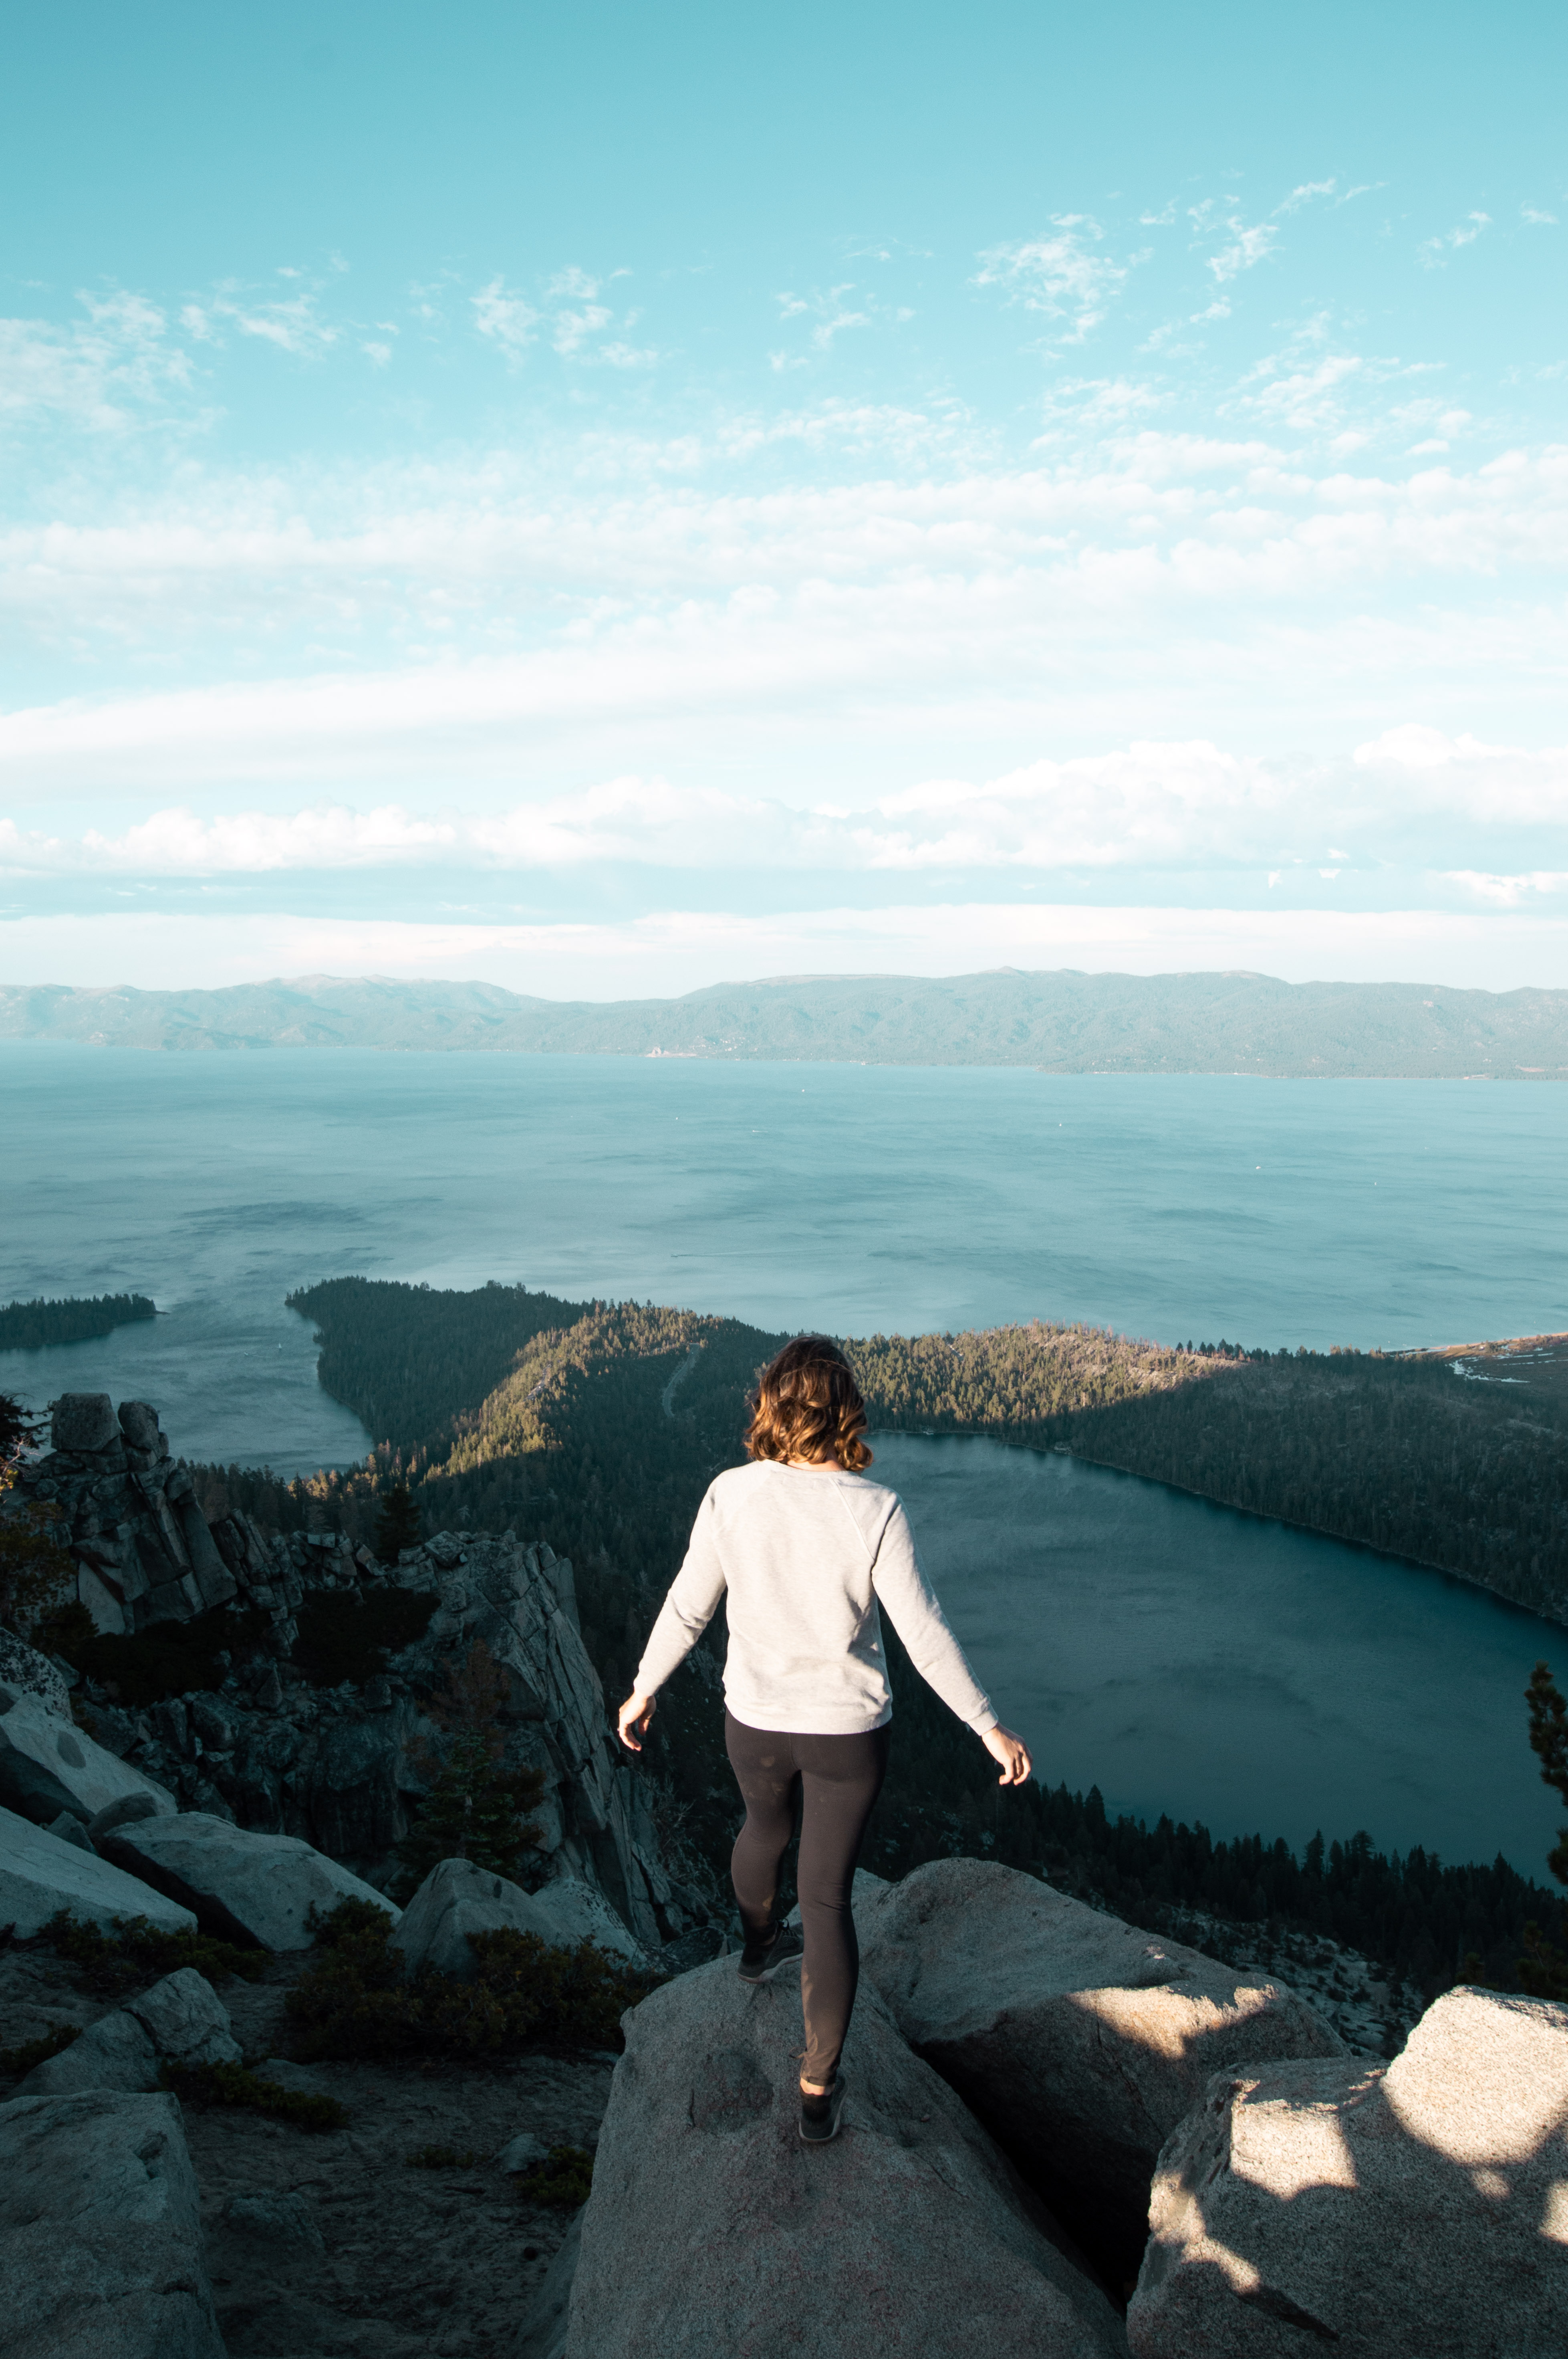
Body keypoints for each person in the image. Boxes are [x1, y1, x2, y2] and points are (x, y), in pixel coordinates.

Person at [617, 1335, 1032, 2145]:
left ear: (770, 1404)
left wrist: (643, 1688)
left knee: (761, 1828)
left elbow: (688, 1607)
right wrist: (986, 1724)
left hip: (756, 1720)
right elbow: (923, 1634)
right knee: (829, 1898)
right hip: (847, 1733)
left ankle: (755, 1950)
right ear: (847, 1412)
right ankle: (816, 2088)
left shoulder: (731, 1493)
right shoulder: (874, 1509)